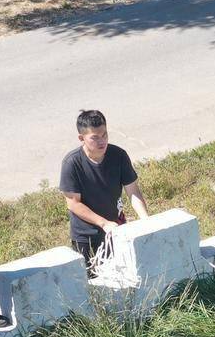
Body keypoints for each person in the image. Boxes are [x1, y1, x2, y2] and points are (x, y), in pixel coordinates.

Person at [60, 110, 149, 275]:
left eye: (105, 135)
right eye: (95, 137)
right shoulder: (72, 163)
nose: (102, 141)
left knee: (123, 273)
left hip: (116, 229)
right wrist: (103, 223)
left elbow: (133, 191)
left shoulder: (119, 155)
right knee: (93, 281)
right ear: (81, 138)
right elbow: (73, 203)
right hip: (87, 236)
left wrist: (146, 221)